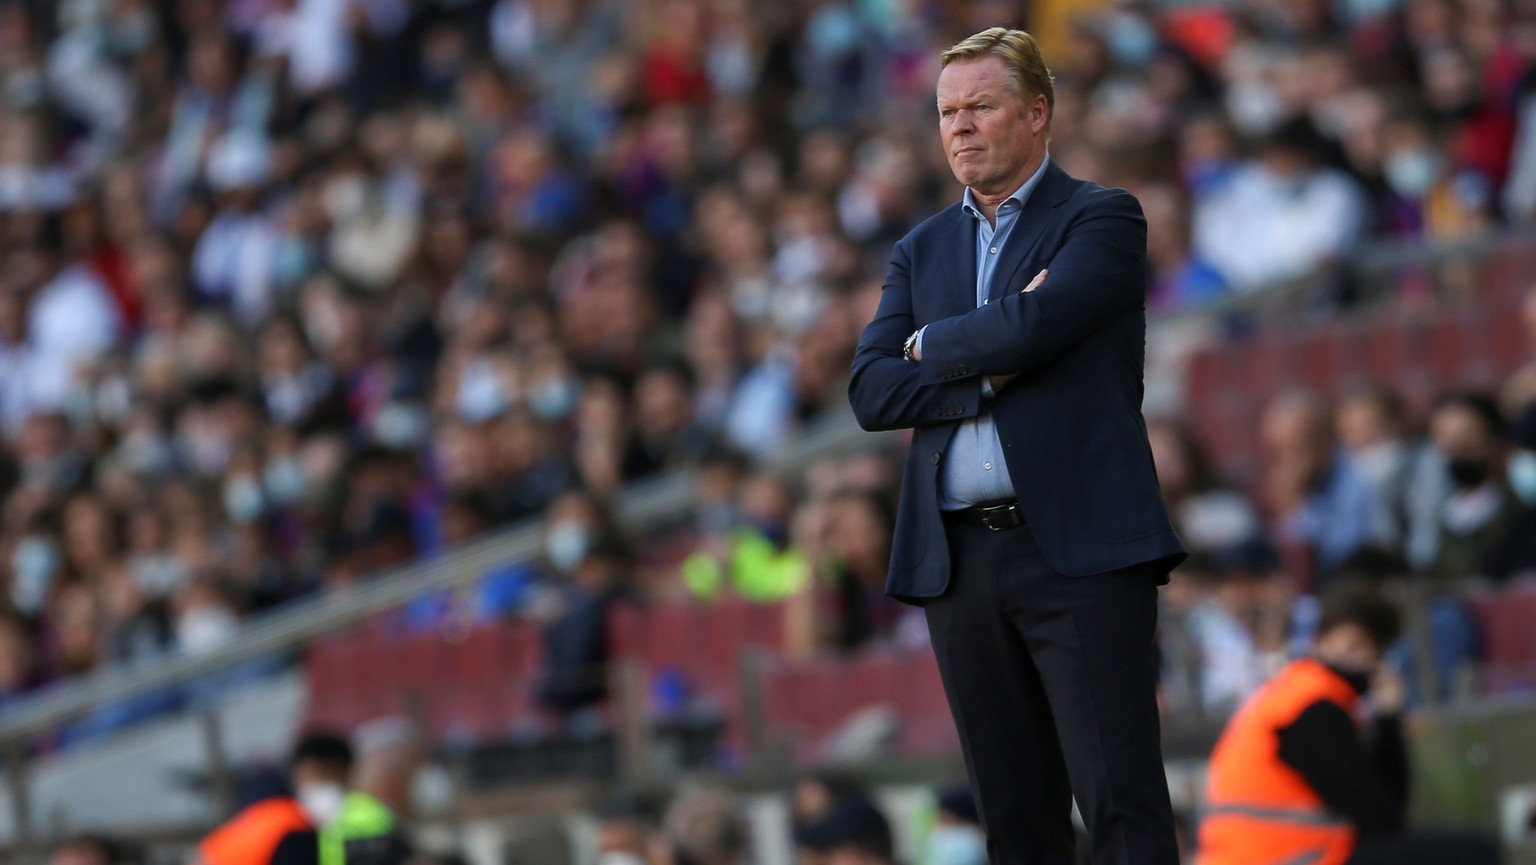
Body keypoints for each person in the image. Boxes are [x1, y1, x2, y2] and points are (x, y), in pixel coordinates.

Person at [848, 26, 1186, 865]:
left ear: (1037, 112)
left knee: (1120, 803)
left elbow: (1040, 322)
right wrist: (990, 362)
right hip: (959, 562)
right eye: (946, 112)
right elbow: (871, 390)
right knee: (1014, 820)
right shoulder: (918, 247)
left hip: (1077, 548)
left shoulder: (1102, 216)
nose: (959, 127)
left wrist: (934, 343)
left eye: (980, 106)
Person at [1195, 582, 1502, 865]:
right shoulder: (1312, 708)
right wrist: (1388, 721)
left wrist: (1386, 718)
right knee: (1476, 852)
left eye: (1374, 649)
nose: (1365, 658)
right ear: (1320, 642)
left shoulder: (1295, 693)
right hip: (1287, 856)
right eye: (1354, 645)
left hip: (1265, 854)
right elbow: (1383, 818)